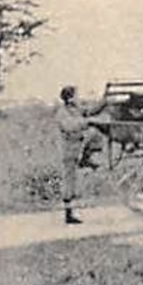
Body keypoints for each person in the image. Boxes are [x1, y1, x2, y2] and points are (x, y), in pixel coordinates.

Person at [55, 85, 104, 226]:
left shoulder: (75, 110)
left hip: (78, 147)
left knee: (95, 133)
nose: (79, 98)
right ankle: (68, 214)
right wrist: (86, 122)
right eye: (77, 96)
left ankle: (86, 158)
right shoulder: (62, 113)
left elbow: (90, 111)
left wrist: (104, 101)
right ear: (70, 99)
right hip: (69, 150)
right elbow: (70, 127)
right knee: (69, 180)